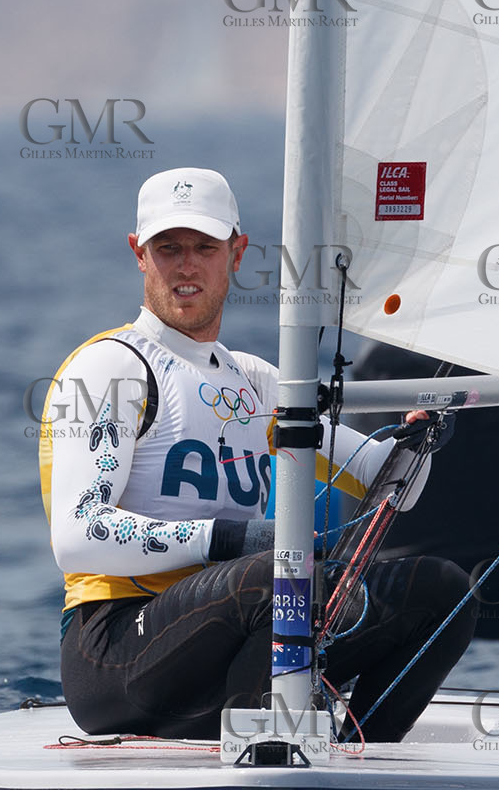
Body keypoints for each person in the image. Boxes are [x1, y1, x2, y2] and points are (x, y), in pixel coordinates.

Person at [39, 167, 474, 742]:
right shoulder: (111, 368)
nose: (186, 265)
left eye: (204, 247)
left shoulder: (257, 383)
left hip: (247, 632)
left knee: (442, 590)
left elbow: (393, 483)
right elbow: (76, 536)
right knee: (279, 574)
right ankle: (265, 759)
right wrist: (228, 539)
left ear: (237, 252)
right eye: (167, 249)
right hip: (117, 653)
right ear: (138, 254)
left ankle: (357, 758)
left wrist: (419, 437)